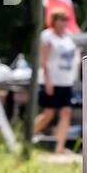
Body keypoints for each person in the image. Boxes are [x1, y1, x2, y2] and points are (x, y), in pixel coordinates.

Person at [33, 10, 77, 153]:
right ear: (54, 20)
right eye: (62, 18)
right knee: (48, 115)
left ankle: (60, 147)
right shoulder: (47, 36)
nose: (64, 21)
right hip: (52, 81)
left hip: (66, 81)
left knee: (66, 112)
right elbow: (43, 61)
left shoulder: (68, 37)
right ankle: (27, 137)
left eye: (66, 18)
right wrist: (47, 81)